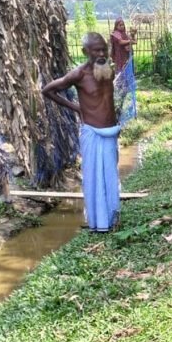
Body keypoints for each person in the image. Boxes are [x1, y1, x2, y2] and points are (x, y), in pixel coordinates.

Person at [41, 32, 122, 233]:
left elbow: (107, 101)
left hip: (110, 133)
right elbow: (48, 90)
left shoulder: (108, 71)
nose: (102, 53)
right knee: (95, 178)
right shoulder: (78, 74)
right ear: (86, 51)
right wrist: (76, 107)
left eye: (104, 48)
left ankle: (111, 217)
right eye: (97, 50)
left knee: (110, 175)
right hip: (93, 134)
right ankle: (99, 223)